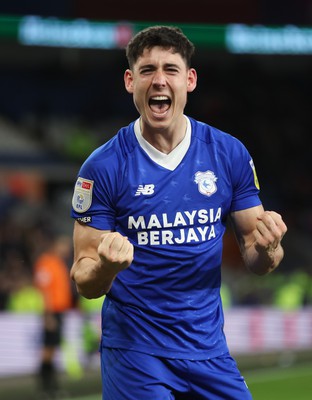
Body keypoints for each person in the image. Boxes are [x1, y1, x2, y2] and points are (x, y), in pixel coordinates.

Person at [70, 25, 287, 400]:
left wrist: (270, 246)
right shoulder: (103, 167)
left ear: (189, 80)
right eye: (147, 70)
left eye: (170, 69)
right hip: (136, 354)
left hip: (208, 351)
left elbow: (258, 257)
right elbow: (83, 278)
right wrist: (107, 266)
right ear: (129, 81)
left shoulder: (228, 153)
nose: (159, 81)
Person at [33, 234, 73, 399]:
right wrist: (48, 315)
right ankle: (46, 389)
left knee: (52, 350)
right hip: (52, 313)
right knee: (47, 351)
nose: (67, 249)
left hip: (59, 312)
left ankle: (52, 389)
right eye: (64, 245)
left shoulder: (58, 263)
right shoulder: (46, 262)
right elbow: (45, 291)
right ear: (55, 245)